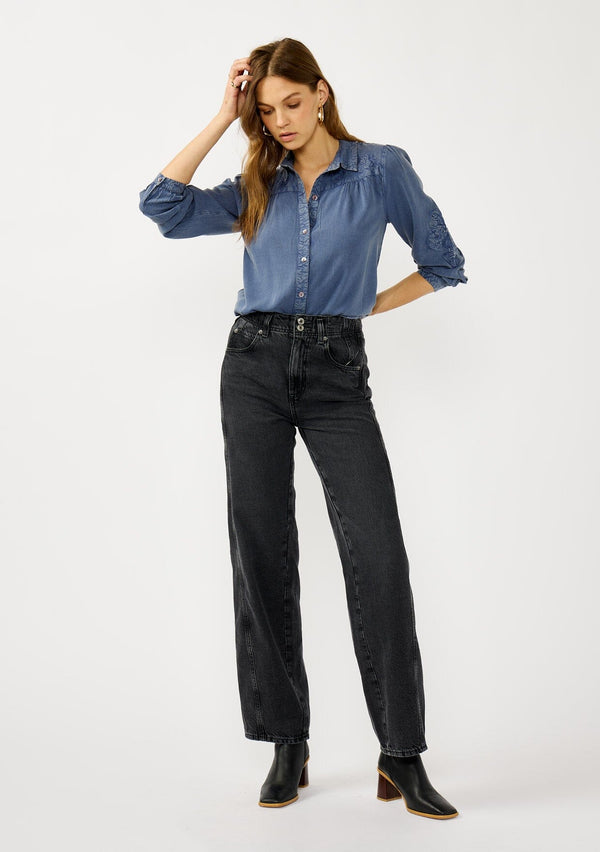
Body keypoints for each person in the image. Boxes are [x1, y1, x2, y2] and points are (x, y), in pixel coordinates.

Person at [138, 37, 467, 819]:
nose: (281, 121)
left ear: (321, 92)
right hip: (250, 367)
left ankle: (402, 754)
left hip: (336, 375)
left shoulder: (381, 168)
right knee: (262, 546)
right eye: (267, 109)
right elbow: (160, 203)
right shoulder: (257, 179)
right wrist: (225, 114)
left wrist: (365, 308)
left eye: (292, 102)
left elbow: (444, 260)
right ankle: (288, 742)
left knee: (378, 554)